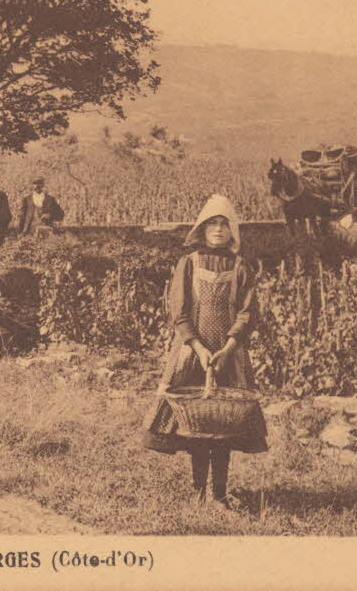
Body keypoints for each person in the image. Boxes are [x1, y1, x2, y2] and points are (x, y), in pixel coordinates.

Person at [143, 194, 267, 507]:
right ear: (201, 228)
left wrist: (228, 346)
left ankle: (220, 493)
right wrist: (197, 346)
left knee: (223, 425)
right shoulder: (189, 263)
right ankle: (198, 491)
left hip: (229, 355)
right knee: (195, 425)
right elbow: (179, 311)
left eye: (224, 225)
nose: (218, 230)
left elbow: (248, 312)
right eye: (212, 223)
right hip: (190, 353)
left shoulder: (240, 267)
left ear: (233, 231)